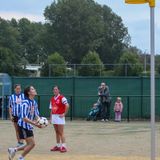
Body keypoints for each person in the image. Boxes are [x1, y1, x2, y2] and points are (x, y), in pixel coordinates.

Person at [8, 86, 42, 160]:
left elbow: (36, 115)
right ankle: (20, 157)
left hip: (28, 125)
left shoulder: (34, 102)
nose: (35, 89)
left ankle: (13, 150)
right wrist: (35, 124)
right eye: (33, 89)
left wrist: (41, 121)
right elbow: (24, 118)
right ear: (29, 92)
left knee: (30, 144)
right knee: (32, 144)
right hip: (23, 125)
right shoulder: (25, 103)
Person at [49, 86, 69, 153]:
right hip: (54, 117)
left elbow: (67, 105)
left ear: (59, 90)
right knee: (57, 132)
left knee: (61, 132)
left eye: (56, 89)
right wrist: (50, 118)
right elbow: (51, 109)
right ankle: (57, 146)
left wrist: (64, 114)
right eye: (54, 89)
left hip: (60, 116)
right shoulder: (52, 99)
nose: (55, 90)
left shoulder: (62, 98)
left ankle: (64, 146)